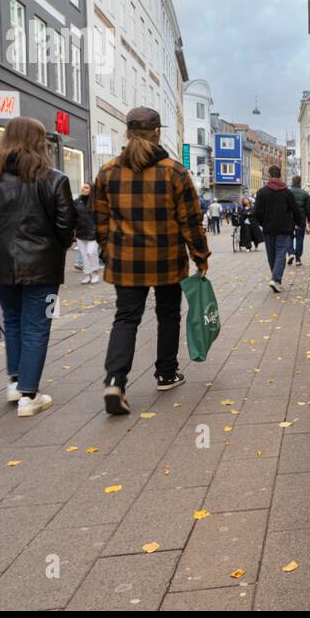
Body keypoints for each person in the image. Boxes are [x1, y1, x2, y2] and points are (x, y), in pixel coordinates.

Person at [95, 107, 210, 416]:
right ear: (158, 132)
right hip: (166, 258)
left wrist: (109, 252)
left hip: (126, 261)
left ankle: (115, 382)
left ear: (127, 133)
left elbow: (100, 221)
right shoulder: (174, 171)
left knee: (125, 318)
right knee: (168, 314)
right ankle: (166, 373)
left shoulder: (108, 171)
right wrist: (200, 256)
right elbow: (191, 220)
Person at [0, 117, 76, 417]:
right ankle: (30, 395)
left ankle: (15, 383)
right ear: (39, 141)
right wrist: (56, 248)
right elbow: (66, 226)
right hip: (43, 267)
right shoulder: (54, 179)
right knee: (38, 325)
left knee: (12, 321)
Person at [253, 165, 304, 292]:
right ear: (280, 176)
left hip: (268, 228)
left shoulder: (262, 192)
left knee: (271, 255)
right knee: (281, 253)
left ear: (270, 175)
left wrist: (262, 223)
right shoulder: (287, 192)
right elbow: (295, 209)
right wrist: (298, 223)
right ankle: (276, 279)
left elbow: (256, 212)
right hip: (284, 228)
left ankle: (276, 280)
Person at [72, 183, 101, 284]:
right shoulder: (77, 202)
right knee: (84, 255)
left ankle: (95, 273)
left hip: (93, 233)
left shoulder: (96, 202)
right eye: (83, 187)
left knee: (91, 252)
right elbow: (73, 216)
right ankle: (87, 275)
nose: (83, 189)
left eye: (86, 187)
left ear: (91, 190)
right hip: (80, 233)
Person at [287, 175, 310, 266]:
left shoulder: (287, 192)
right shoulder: (305, 193)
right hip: (300, 219)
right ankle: (298, 259)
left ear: (292, 182)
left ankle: (291, 253)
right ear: (300, 182)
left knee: (288, 236)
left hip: (289, 219)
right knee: (300, 238)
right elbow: (309, 208)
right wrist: (309, 219)